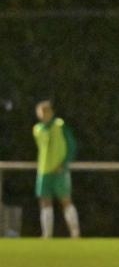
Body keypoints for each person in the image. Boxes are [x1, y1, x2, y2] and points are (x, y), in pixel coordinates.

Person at [33, 100, 80, 238]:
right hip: (43, 170)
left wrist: (64, 163)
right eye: (41, 111)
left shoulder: (60, 125)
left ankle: (75, 232)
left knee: (65, 200)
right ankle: (46, 234)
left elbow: (71, 145)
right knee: (45, 202)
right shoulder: (37, 129)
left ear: (51, 112)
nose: (43, 114)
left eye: (46, 111)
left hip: (59, 170)